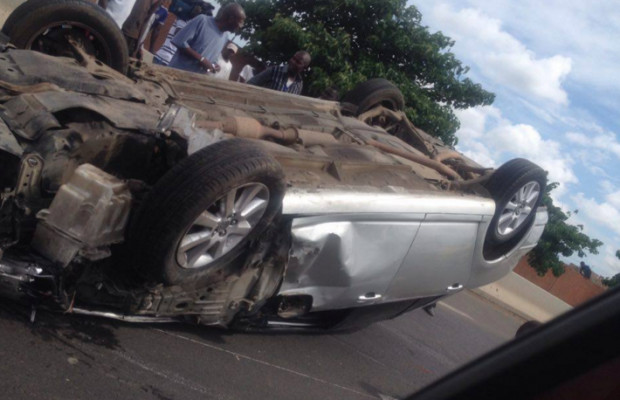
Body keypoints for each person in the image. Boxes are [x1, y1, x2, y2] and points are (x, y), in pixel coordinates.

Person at [168, 3, 245, 74]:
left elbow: (212, 59)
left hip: (193, 82)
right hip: (175, 74)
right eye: (239, 23)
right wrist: (202, 60)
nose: (239, 27)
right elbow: (180, 41)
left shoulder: (225, 37)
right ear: (231, 19)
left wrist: (214, 66)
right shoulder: (202, 21)